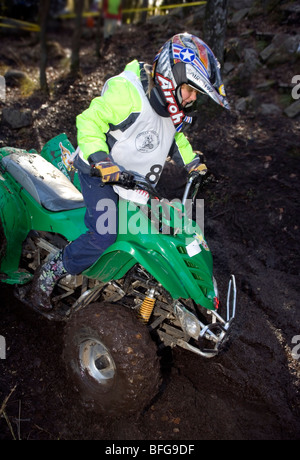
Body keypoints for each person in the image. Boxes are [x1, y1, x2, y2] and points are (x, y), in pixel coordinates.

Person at [28, 32, 230, 310]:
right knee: (105, 232)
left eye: (196, 94)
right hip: (99, 175)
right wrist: (102, 161)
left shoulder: (172, 106)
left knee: (160, 225)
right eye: (190, 90)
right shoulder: (129, 93)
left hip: (134, 181)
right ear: (172, 77)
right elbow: (89, 121)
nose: (193, 98)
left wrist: (193, 163)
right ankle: (53, 270)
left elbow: (174, 138)